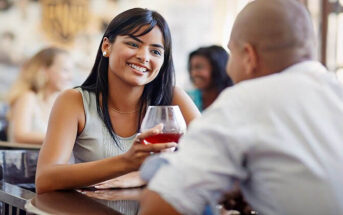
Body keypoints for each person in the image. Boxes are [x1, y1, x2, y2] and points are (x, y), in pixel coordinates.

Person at [139, 0, 343, 214]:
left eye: (231, 53)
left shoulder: (246, 99)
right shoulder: (335, 90)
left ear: (249, 56)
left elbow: (159, 205)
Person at [35, 8, 200, 194]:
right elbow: (45, 179)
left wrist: (141, 176)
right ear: (107, 46)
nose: (144, 57)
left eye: (155, 51)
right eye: (133, 44)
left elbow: (215, 157)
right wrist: (126, 162)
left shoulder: (172, 98)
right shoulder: (74, 101)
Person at [7, 47, 72, 144]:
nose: (70, 77)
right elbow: (20, 136)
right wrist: (66, 138)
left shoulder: (56, 103)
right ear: (44, 70)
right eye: (65, 70)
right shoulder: (28, 97)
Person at [187, 45, 233, 111]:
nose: (193, 73)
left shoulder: (232, 99)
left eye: (199, 67)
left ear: (217, 69)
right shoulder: (189, 98)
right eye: (191, 68)